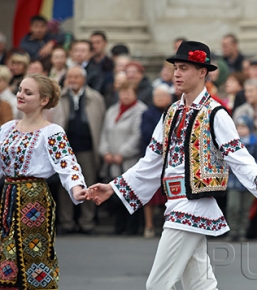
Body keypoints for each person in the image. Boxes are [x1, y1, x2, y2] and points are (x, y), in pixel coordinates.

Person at [88, 41, 257, 290]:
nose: (177, 72)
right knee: (201, 288)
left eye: (185, 68)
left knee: (157, 283)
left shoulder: (216, 113)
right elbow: (151, 162)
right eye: (175, 67)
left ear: (203, 73)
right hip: (177, 204)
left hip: (193, 206)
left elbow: (238, 156)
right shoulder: (172, 113)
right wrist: (114, 187)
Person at [0, 74, 90, 290]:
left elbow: (68, 166)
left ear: (44, 100)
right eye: (20, 90)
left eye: (28, 92)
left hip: (33, 206)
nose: (21, 95)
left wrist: (78, 189)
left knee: (11, 283)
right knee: (10, 283)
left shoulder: (51, 132)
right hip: (8, 202)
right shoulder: (6, 130)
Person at [52, 66, 106, 234]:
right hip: (65, 151)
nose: (73, 80)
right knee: (65, 187)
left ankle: (87, 221)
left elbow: (101, 123)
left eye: (76, 77)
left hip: (87, 149)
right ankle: (67, 222)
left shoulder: (95, 98)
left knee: (89, 185)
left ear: (84, 79)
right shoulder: (59, 97)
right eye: (70, 77)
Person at [99, 81, 147, 235]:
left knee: (131, 194)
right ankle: (118, 226)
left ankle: (132, 227)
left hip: (130, 161)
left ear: (135, 94)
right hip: (112, 160)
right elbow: (104, 133)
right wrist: (105, 151)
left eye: (129, 92)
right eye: (123, 92)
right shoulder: (112, 111)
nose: (125, 95)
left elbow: (137, 136)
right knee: (116, 193)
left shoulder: (141, 111)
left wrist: (122, 153)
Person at [139, 86, 173, 238]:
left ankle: (170, 224)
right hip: (153, 156)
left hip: (172, 158)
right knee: (150, 194)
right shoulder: (147, 113)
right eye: (157, 96)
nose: (159, 98)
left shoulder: (175, 112)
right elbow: (146, 133)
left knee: (171, 193)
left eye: (162, 95)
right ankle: (149, 225)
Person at [226, 115, 257, 241]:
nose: (240, 130)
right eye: (238, 127)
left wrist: (253, 168)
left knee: (246, 208)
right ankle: (233, 231)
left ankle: (242, 231)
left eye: (243, 127)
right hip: (234, 180)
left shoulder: (254, 142)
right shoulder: (231, 142)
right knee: (233, 206)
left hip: (249, 181)